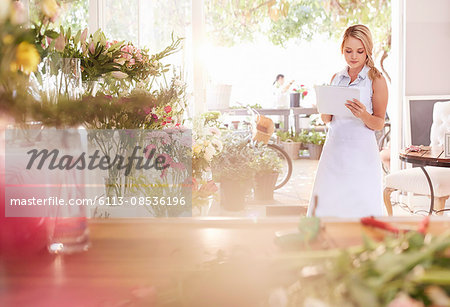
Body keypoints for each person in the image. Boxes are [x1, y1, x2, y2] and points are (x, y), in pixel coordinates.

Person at [307, 25, 388, 217]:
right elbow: (328, 119)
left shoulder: (376, 79)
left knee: (361, 203)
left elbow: (379, 123)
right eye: (348, 51)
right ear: (342, 49)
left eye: (359, 51)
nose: (353, 56)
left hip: (361, 153)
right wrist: (323, 105)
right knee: (328, 202)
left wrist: (363, 115)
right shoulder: (337, 78)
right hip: (334, 150)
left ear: (367, 50)